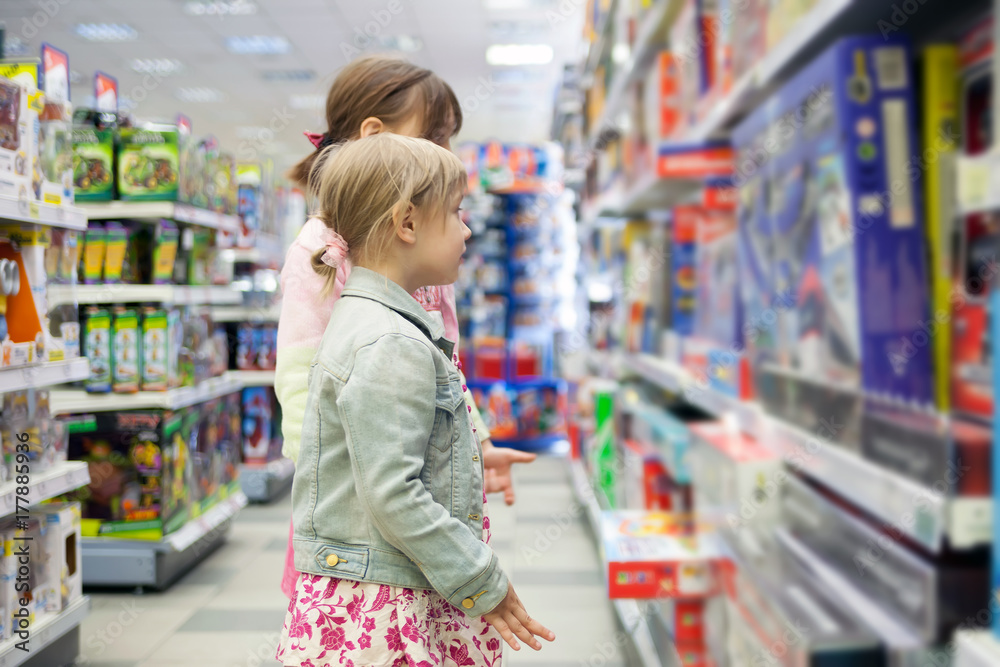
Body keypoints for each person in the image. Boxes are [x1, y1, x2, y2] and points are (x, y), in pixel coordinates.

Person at [275, 133, 554, 666]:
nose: (468, 229)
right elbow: (393, 493)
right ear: (406, 223)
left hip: (382, 585)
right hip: (382, 605)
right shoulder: (390, 343)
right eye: (455, 213)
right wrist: (481, 577)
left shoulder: (378, 324)